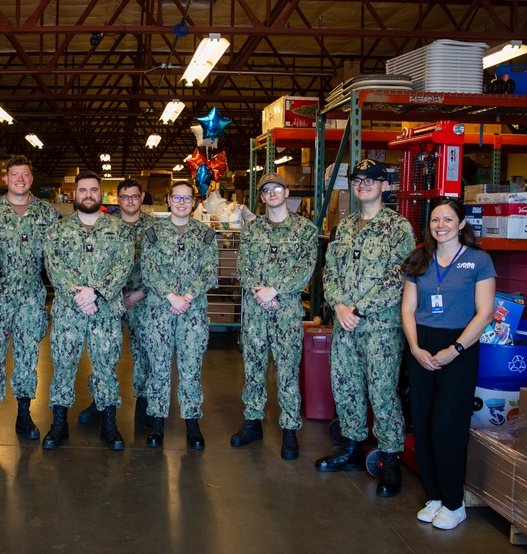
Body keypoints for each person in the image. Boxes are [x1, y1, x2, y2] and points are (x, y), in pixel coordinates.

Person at [317, 158, 415, 499]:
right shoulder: (344, 228)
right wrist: (339, 306)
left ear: (384, 186)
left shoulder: (398, 228)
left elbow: (399, 277)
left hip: (380, 329)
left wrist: (358, 309)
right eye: (358, 180)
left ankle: (390, 459)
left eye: (370, 180)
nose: (363, 185)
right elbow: (329, 272)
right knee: (345, 387)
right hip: (345, 325)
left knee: (382, 393)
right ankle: (353, 447)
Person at [400, 198, 495, 530]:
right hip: (422, 344)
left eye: (448, 219)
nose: (441, 225)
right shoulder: (418, 259)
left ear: (462, 223)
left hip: (460, 344)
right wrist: (414, 347)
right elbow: (408, 308)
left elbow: (484, 313)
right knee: (423, 422)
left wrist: (455, 349)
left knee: (447, 425)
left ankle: (455, 502)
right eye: (436, 220)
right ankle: (435, 496)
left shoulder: (478, 261)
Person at [42, 171, 134, 451]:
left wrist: (95, 292)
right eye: (83, 190)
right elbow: (54, 268)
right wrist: (78, 294)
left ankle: (109, 424)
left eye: (94, 190)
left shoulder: (120, 230)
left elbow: (123, 267)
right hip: (68, 314)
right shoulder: (57, 231)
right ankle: (58, 425)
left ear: (100, 193)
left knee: (106, 369)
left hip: (105, 313)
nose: (88, 195)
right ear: (75, 194)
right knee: (62, 368)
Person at [233, 173, 318, 459]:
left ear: (287, 191)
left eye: (277, 188)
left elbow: (306, 268)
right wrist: (261, 293)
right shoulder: (251, 230)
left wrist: (275, 291)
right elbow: (243, 267)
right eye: (266, 190)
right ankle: (252, 421)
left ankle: (290, 429)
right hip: (256, 310)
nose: (271, 193)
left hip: (287, 310)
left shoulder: (304, 229)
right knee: (253, 365)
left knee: (287, 369)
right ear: (261, 196)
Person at [0, 156, 61, 442]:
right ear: (6, 179)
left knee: (28, 357)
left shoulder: (47, 215)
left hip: (30, 297)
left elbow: (61, 255)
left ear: (31, 179)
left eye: (25, 174)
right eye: (15, 175)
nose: (20, 179)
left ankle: (24, 414)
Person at [140, 182, 218, 449]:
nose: (182, 202)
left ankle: (192, 423)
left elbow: (209, 272)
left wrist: (187, 297)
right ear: (169, 200)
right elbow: (148, 270)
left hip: (192, 312)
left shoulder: (206, 235)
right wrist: (170, 296)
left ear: (194, 203)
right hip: (159, 310)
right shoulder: (152, 233)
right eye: (177, 197)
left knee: (190, 369)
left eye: (187, 198)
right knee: (158, 367)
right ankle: (157, 422)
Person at [77, 178, 155, 425]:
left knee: (144, 353)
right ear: (117, 200)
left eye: (134, 196)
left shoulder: (155, 229)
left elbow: (161, 267)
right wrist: (107, 291)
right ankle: (100, 401)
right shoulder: (105, 226)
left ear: (142, 198)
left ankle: (143, 404)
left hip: (143, 299)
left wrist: (141, 292)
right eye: (125, 196)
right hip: (110, 299)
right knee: (104, 353)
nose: (130, 200)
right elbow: (95, 266)